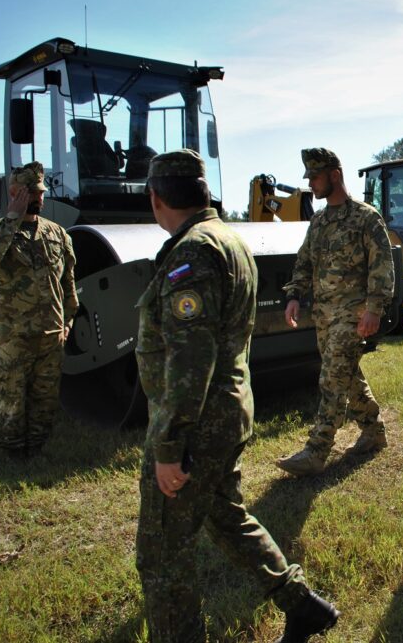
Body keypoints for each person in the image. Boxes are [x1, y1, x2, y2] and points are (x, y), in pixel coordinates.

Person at [134, 150, 339, 643]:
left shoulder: (194, 253)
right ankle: (301, 605)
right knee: (225, 516)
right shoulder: (227, 239)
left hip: (197, 421)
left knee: (162, 553)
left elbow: (189, 360)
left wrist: (169, 446)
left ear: (156, 198)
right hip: (226, 411)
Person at [276, 148, 395, 476]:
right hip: (324, 316)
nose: (310, 184)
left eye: (314, 177)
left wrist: (374, 309)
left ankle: (317, 450)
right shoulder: (320, 221)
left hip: (353, 315)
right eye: (309, 177)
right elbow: (304, 261)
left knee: (331, 378)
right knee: (347, 376)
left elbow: (382, 266)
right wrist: (295, 295)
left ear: (335, 175)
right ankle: (374, 431)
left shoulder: (366, 217)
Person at [0, 161, 78, 458]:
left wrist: (68, 321)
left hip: (51, 337)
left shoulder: (57, 234)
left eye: (40, 192)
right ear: (14, 192)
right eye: (30, 192)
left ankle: (36, 452)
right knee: (12, 399)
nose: (37, 197)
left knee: (45, 399)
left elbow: (68, 283)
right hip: (15, 338)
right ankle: (10, 455)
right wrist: (12, 218)